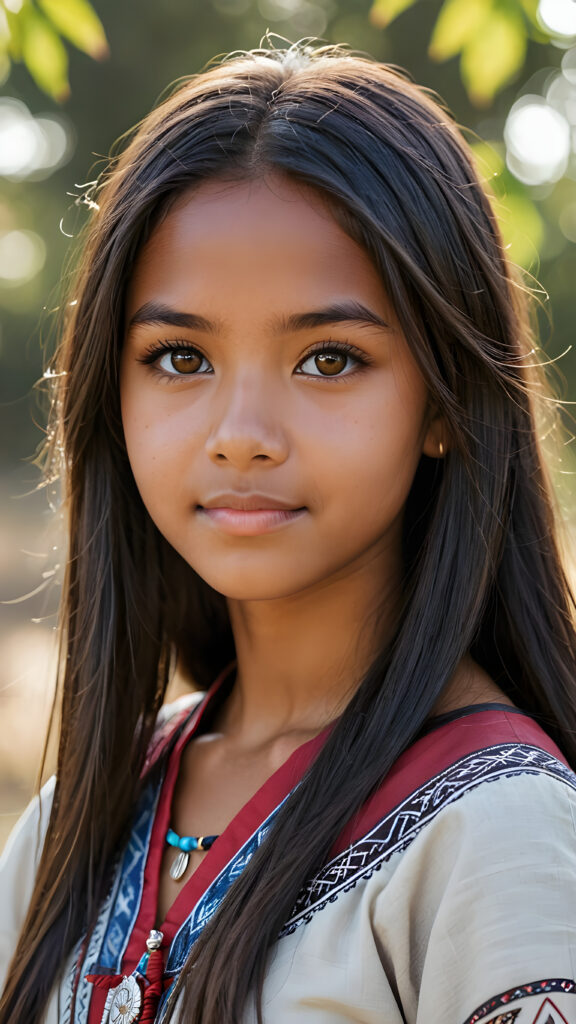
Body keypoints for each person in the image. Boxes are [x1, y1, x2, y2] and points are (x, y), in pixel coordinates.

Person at [1, 37, 576, 1024]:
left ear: (444, 403)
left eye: (328, 359)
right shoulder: (76, 817)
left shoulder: (503, 833)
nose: (241, 437)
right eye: (180, 357)